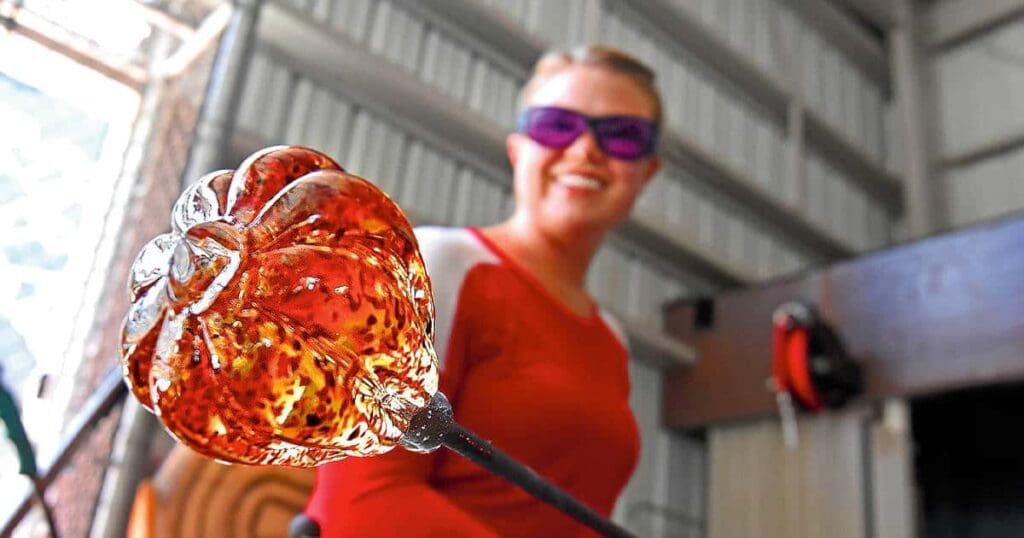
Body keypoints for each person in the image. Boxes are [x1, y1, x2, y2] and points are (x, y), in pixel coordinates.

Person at [304, 44, 663, 537]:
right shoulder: (440, 266)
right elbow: (360, 503)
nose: (584, 149)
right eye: (557, 125)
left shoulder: (612, 342)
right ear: (518, 151)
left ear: (648, 172)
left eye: (623, 136)